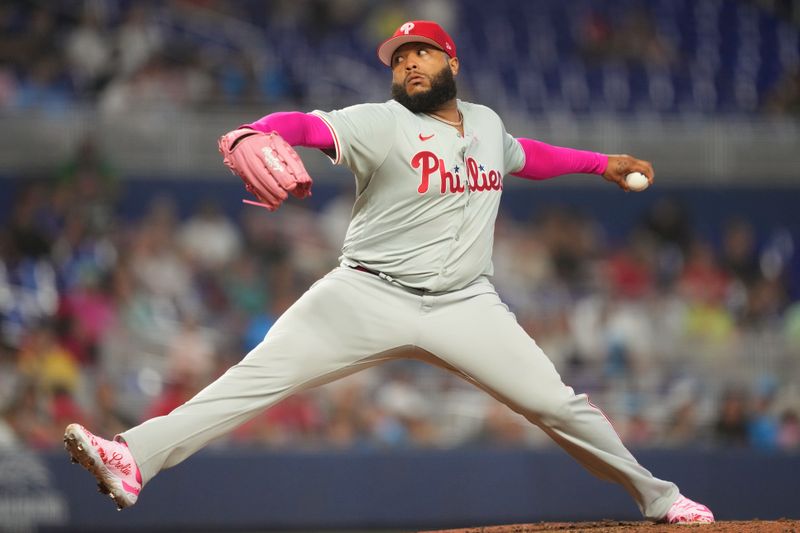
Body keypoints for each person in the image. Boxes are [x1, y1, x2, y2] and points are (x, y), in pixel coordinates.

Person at [64, 21, 714, 524]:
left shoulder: (486, 123)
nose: (408, 62)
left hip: (466, 304)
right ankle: (132, 457)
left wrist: (599, 163)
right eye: (399, 58)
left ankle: (661, 498)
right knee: (254, 378)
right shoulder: (379, 122)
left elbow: (527, 156)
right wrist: (257, 128)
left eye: (421, 52)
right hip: (366, 292)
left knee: (558, 404)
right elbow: (307, 126)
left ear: (451, 63)